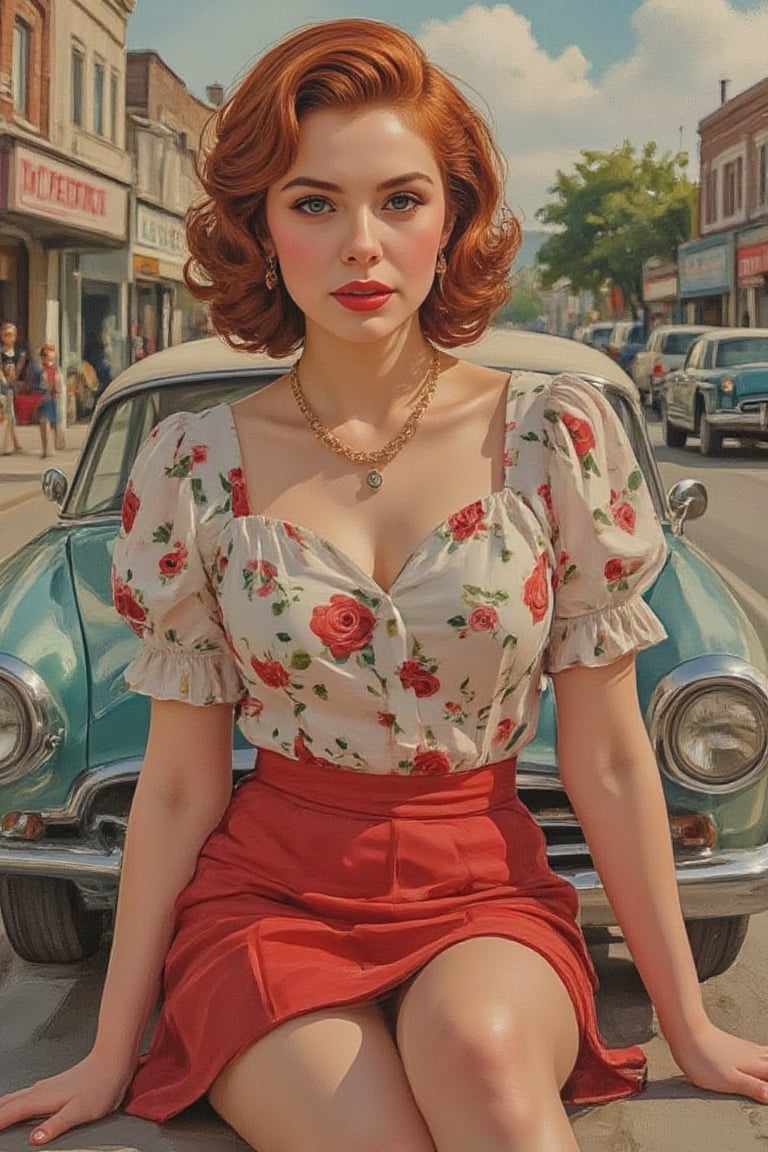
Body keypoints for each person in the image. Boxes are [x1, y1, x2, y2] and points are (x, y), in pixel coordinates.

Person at [1, 19, 767, 1152]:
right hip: (268, 901)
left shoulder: (557, 435)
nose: (362, 244)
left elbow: (608, 758)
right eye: (315, 203)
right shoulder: (192, 462)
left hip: (486, 890)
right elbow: (173, 789)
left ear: (451, 218)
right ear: (261, 226)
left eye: (400, 200)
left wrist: (692, 1025)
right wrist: (108, 1053)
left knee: (490, 1073)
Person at [30, 343, 62, 458]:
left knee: (53, 423)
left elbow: (57, 383)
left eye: (51, 356)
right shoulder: (38, 368)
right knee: (44, 422)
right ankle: (46, 448)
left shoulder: (54, 369)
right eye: (45, 355)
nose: (48, 358)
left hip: (51, 398)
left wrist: (56, 389)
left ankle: (51, 447)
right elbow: (36, 383)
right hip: (42, 398)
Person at [0, 321, 26, 454]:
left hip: (9, 388)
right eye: (6, 334)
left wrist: (20, 364)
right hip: (2, 387)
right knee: (4, 415)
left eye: (11, 335)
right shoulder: (2, 352)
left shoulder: (16, 353)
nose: (9, 338)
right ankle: (10, 444)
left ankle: (12, 443)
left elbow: (16, 372)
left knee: (10, 415)